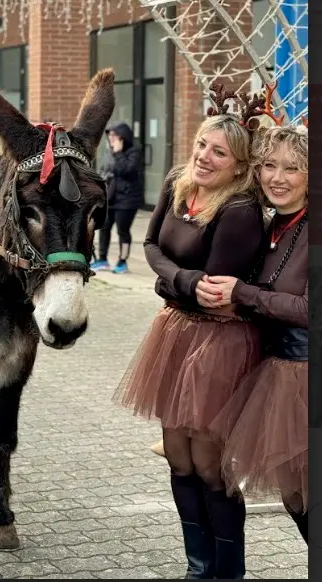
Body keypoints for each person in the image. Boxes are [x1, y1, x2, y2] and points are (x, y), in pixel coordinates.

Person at [113, 88, 267, 579]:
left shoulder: (238, 210)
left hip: (219, 341)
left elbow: (212, 293)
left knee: (208, 463)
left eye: (219, 152)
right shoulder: (181, 184)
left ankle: (229, 570)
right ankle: (197, 566)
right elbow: (152, 244)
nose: (205, 156)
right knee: (178, 456)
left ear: (239, 167)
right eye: (203, 144)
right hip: (177, 333)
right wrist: (178, 279)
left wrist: (173, 282)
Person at [207, 123, 308, 544]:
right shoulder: (271, 226)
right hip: (276, 373)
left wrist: (243, 292)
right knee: (295, 498)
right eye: (269, 165)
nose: (277, 178)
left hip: (305, 376)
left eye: (292, 168)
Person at [91, 121, 141, 273]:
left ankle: (122, 261)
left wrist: (118, 153)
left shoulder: (134, 152)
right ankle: (102, 259)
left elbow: (126, 170)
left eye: (115, 135)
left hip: (127, 199)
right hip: (110, 198)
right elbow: (102, 170)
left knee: (123, 231)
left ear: (123, 137)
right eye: (110, 135)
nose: (111, 138)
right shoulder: (109, 151)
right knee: (104, 228)